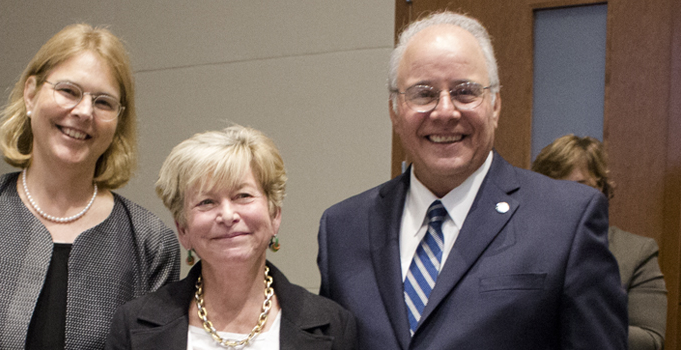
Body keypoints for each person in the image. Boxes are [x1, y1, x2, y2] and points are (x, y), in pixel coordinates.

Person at [316, 11, 627, 349]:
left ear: (495, 105)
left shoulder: (567, 221)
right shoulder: (343, 228)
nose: (445, 111)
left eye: (465, 92)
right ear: (394, 110)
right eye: (423, 93)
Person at [0, 24, 180, 349]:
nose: (83, 111)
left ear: (118, 122)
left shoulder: (150, 244)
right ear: (30, 94)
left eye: (103, 102)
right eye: (68, 91)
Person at [105, 125, 357, 349]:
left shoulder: (334, 326)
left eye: (243, 196)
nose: (227, 215)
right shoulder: (132, 325)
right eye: (206, 202)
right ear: (183, 229)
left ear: (275, 215)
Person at [533, 134, 667, 350]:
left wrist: (575, 321)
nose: (568, 198)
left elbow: (650, 339)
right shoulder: (518, 248)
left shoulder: (636, 252)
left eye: (580, 187)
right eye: (554, 187)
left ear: (602, 189)